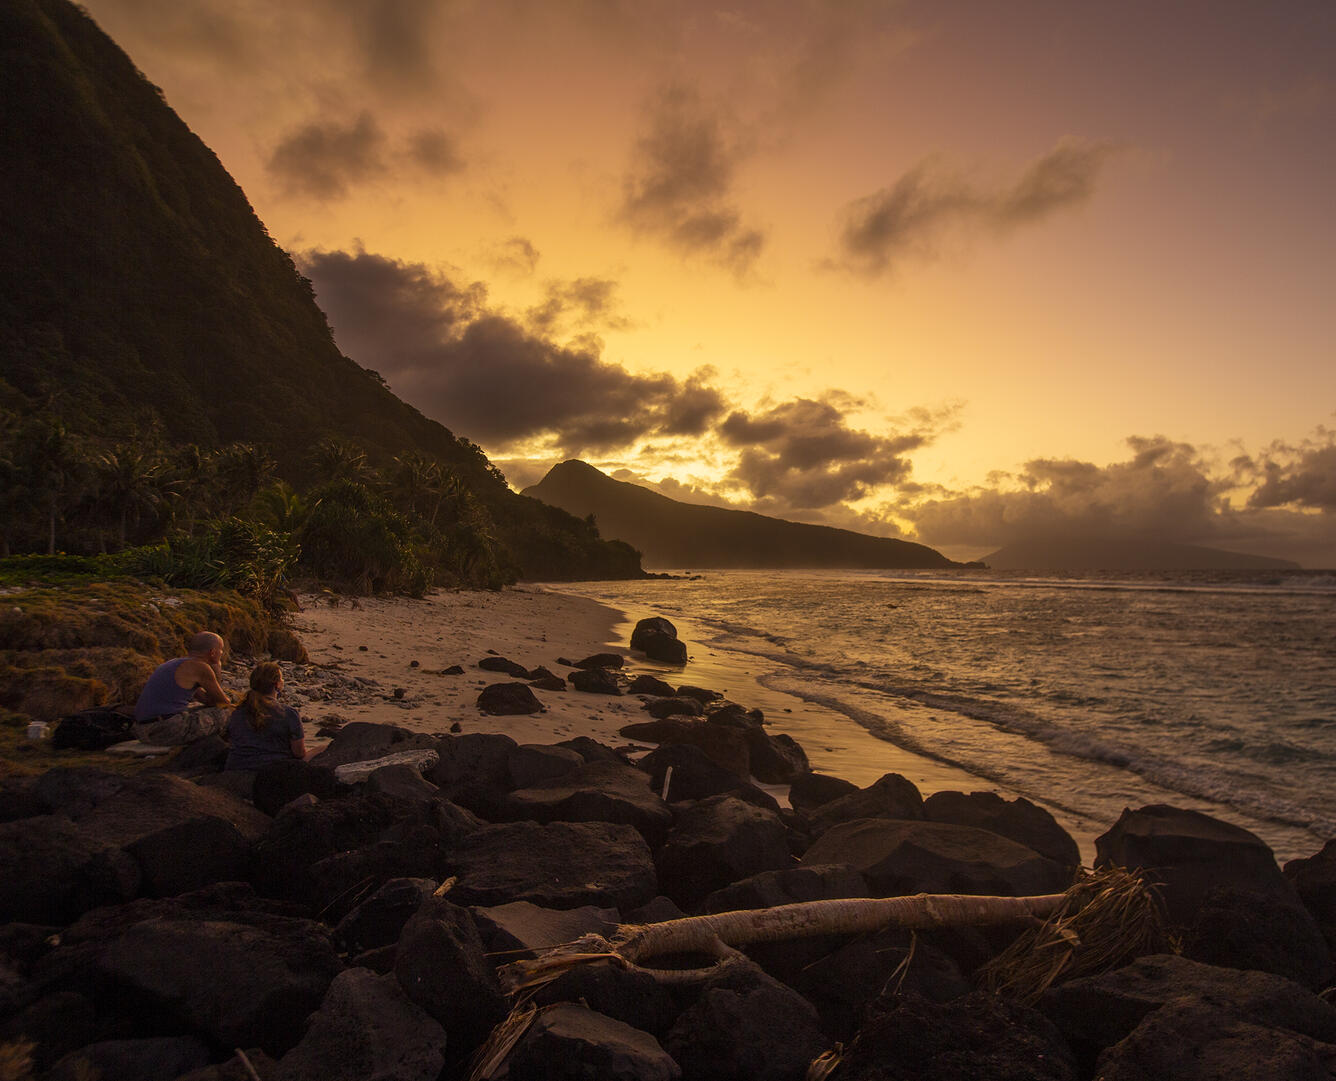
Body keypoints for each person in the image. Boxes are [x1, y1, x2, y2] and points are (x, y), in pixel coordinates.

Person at [132, 631, 233, 745]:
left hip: (141, 730)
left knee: (199, 707)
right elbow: (222, 702)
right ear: (213, 652)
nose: (222, 653)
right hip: (163, 730)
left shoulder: (176, 663)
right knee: (228, 713)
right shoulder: (201, 667)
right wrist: (217, 670)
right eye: (221, 649)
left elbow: (207, 701)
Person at [225, 661, 306, 771]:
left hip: (238, 766)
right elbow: (299, 753)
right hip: (272, 769)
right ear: (277, 684)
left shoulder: (237, 712)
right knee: (321, 749)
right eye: (281, 679)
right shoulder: (288, 713)